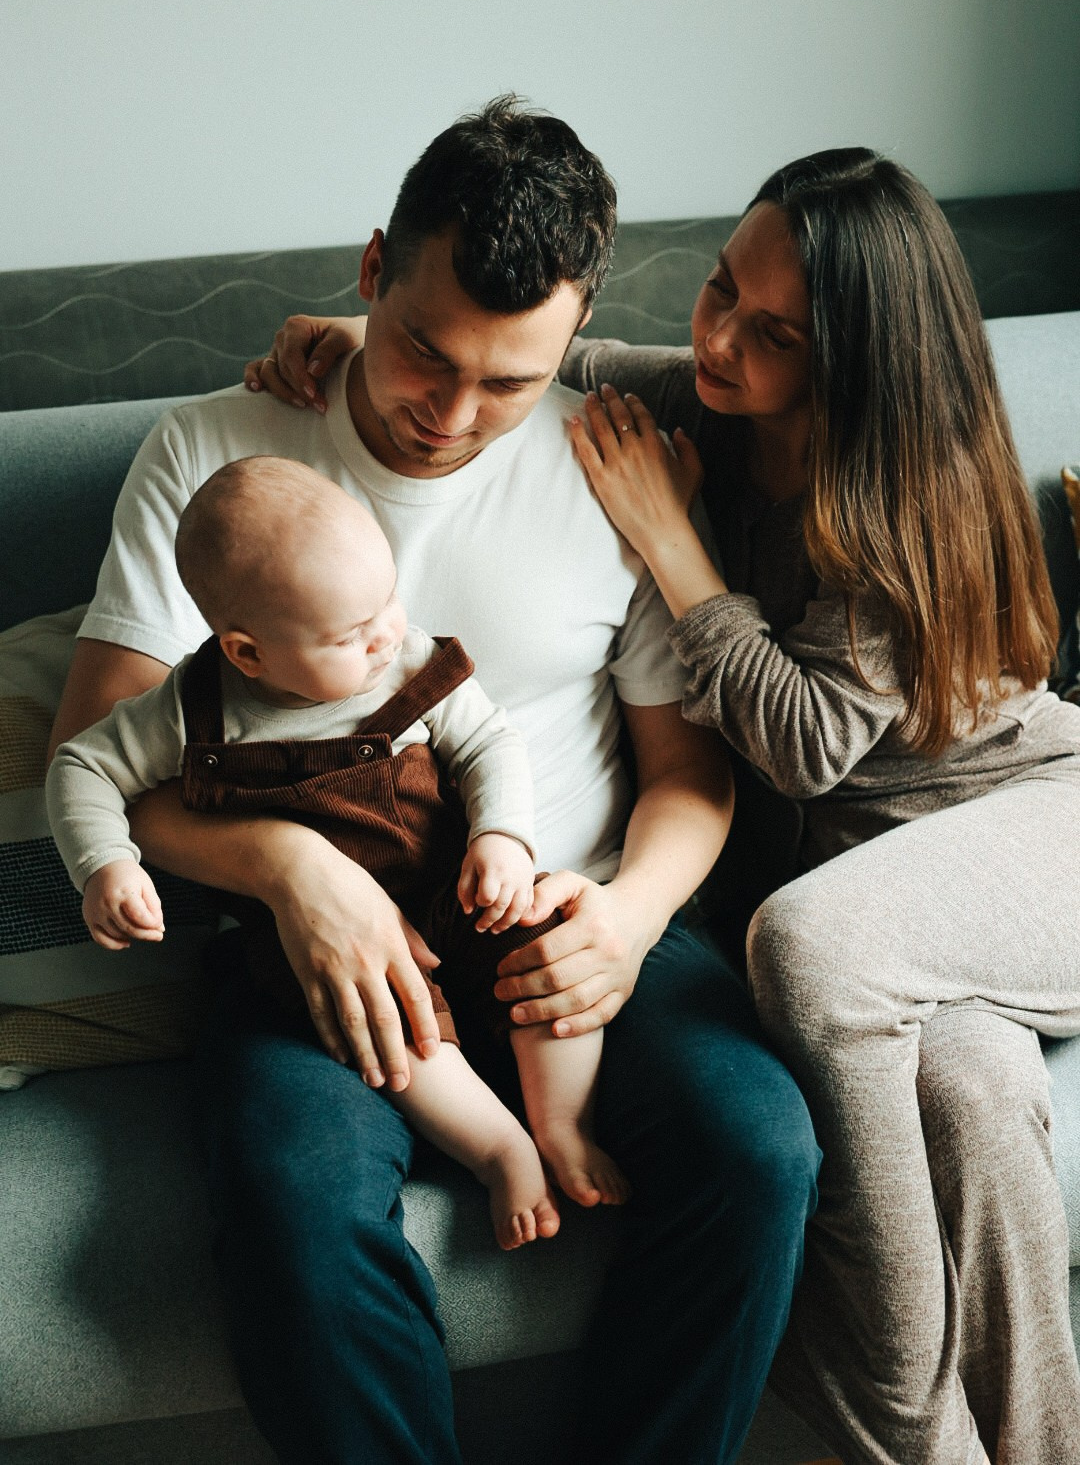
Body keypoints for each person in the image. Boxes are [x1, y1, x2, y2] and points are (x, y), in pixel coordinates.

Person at [270, 146, 1080, 1465]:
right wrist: (339, 339)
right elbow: (549, 360)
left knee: (806, 952)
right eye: (719, 290)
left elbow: (810, 746)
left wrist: (674, 545)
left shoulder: (905, 492)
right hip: (893, 896)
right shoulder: (706, 397)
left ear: (856, 361)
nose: (718, 339)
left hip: (1032, 833)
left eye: (772, 334)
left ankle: (907, 1430)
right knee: (976, 1091)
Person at [49, 97, 820, 1465]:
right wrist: (297, 876)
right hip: (308, 957)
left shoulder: (609, 464)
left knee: (763, 1154)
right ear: (367, 275)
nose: (451, 414)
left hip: (568, 915)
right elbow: (104, 762)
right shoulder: (214, 453)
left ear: (576, 337)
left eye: (510, 379)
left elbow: (690, 778)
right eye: (422, 351)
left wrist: (627, 924)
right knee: (294, 1204)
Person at [47, 455, 633, 1247]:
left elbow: (489, 742)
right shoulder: (193, 711)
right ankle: (501, 1150)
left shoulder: (409, 659)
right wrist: (105, 863)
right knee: (392, 1031)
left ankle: (563, 1125)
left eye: (388, 599)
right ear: (248, 653)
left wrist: (502, 836)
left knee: (541, 957)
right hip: (329, 946)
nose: (387, 635)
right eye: (353, 635)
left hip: (454, 885)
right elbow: (82, 764)